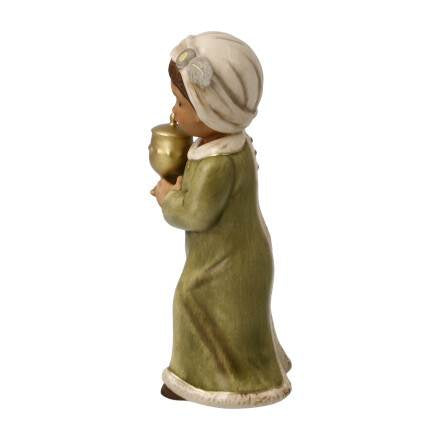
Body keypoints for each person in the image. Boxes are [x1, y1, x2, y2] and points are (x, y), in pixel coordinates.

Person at [151, 31, 291, 408]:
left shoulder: (219, 162)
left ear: (214, 111)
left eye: (182, 103)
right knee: (231, 317)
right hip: (230, 255)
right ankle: (232, 371)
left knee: (194, 302)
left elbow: (194, 214)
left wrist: (168, 196)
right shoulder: (219, 147)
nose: (174, 112)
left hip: (228, 264)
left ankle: (213, 379)